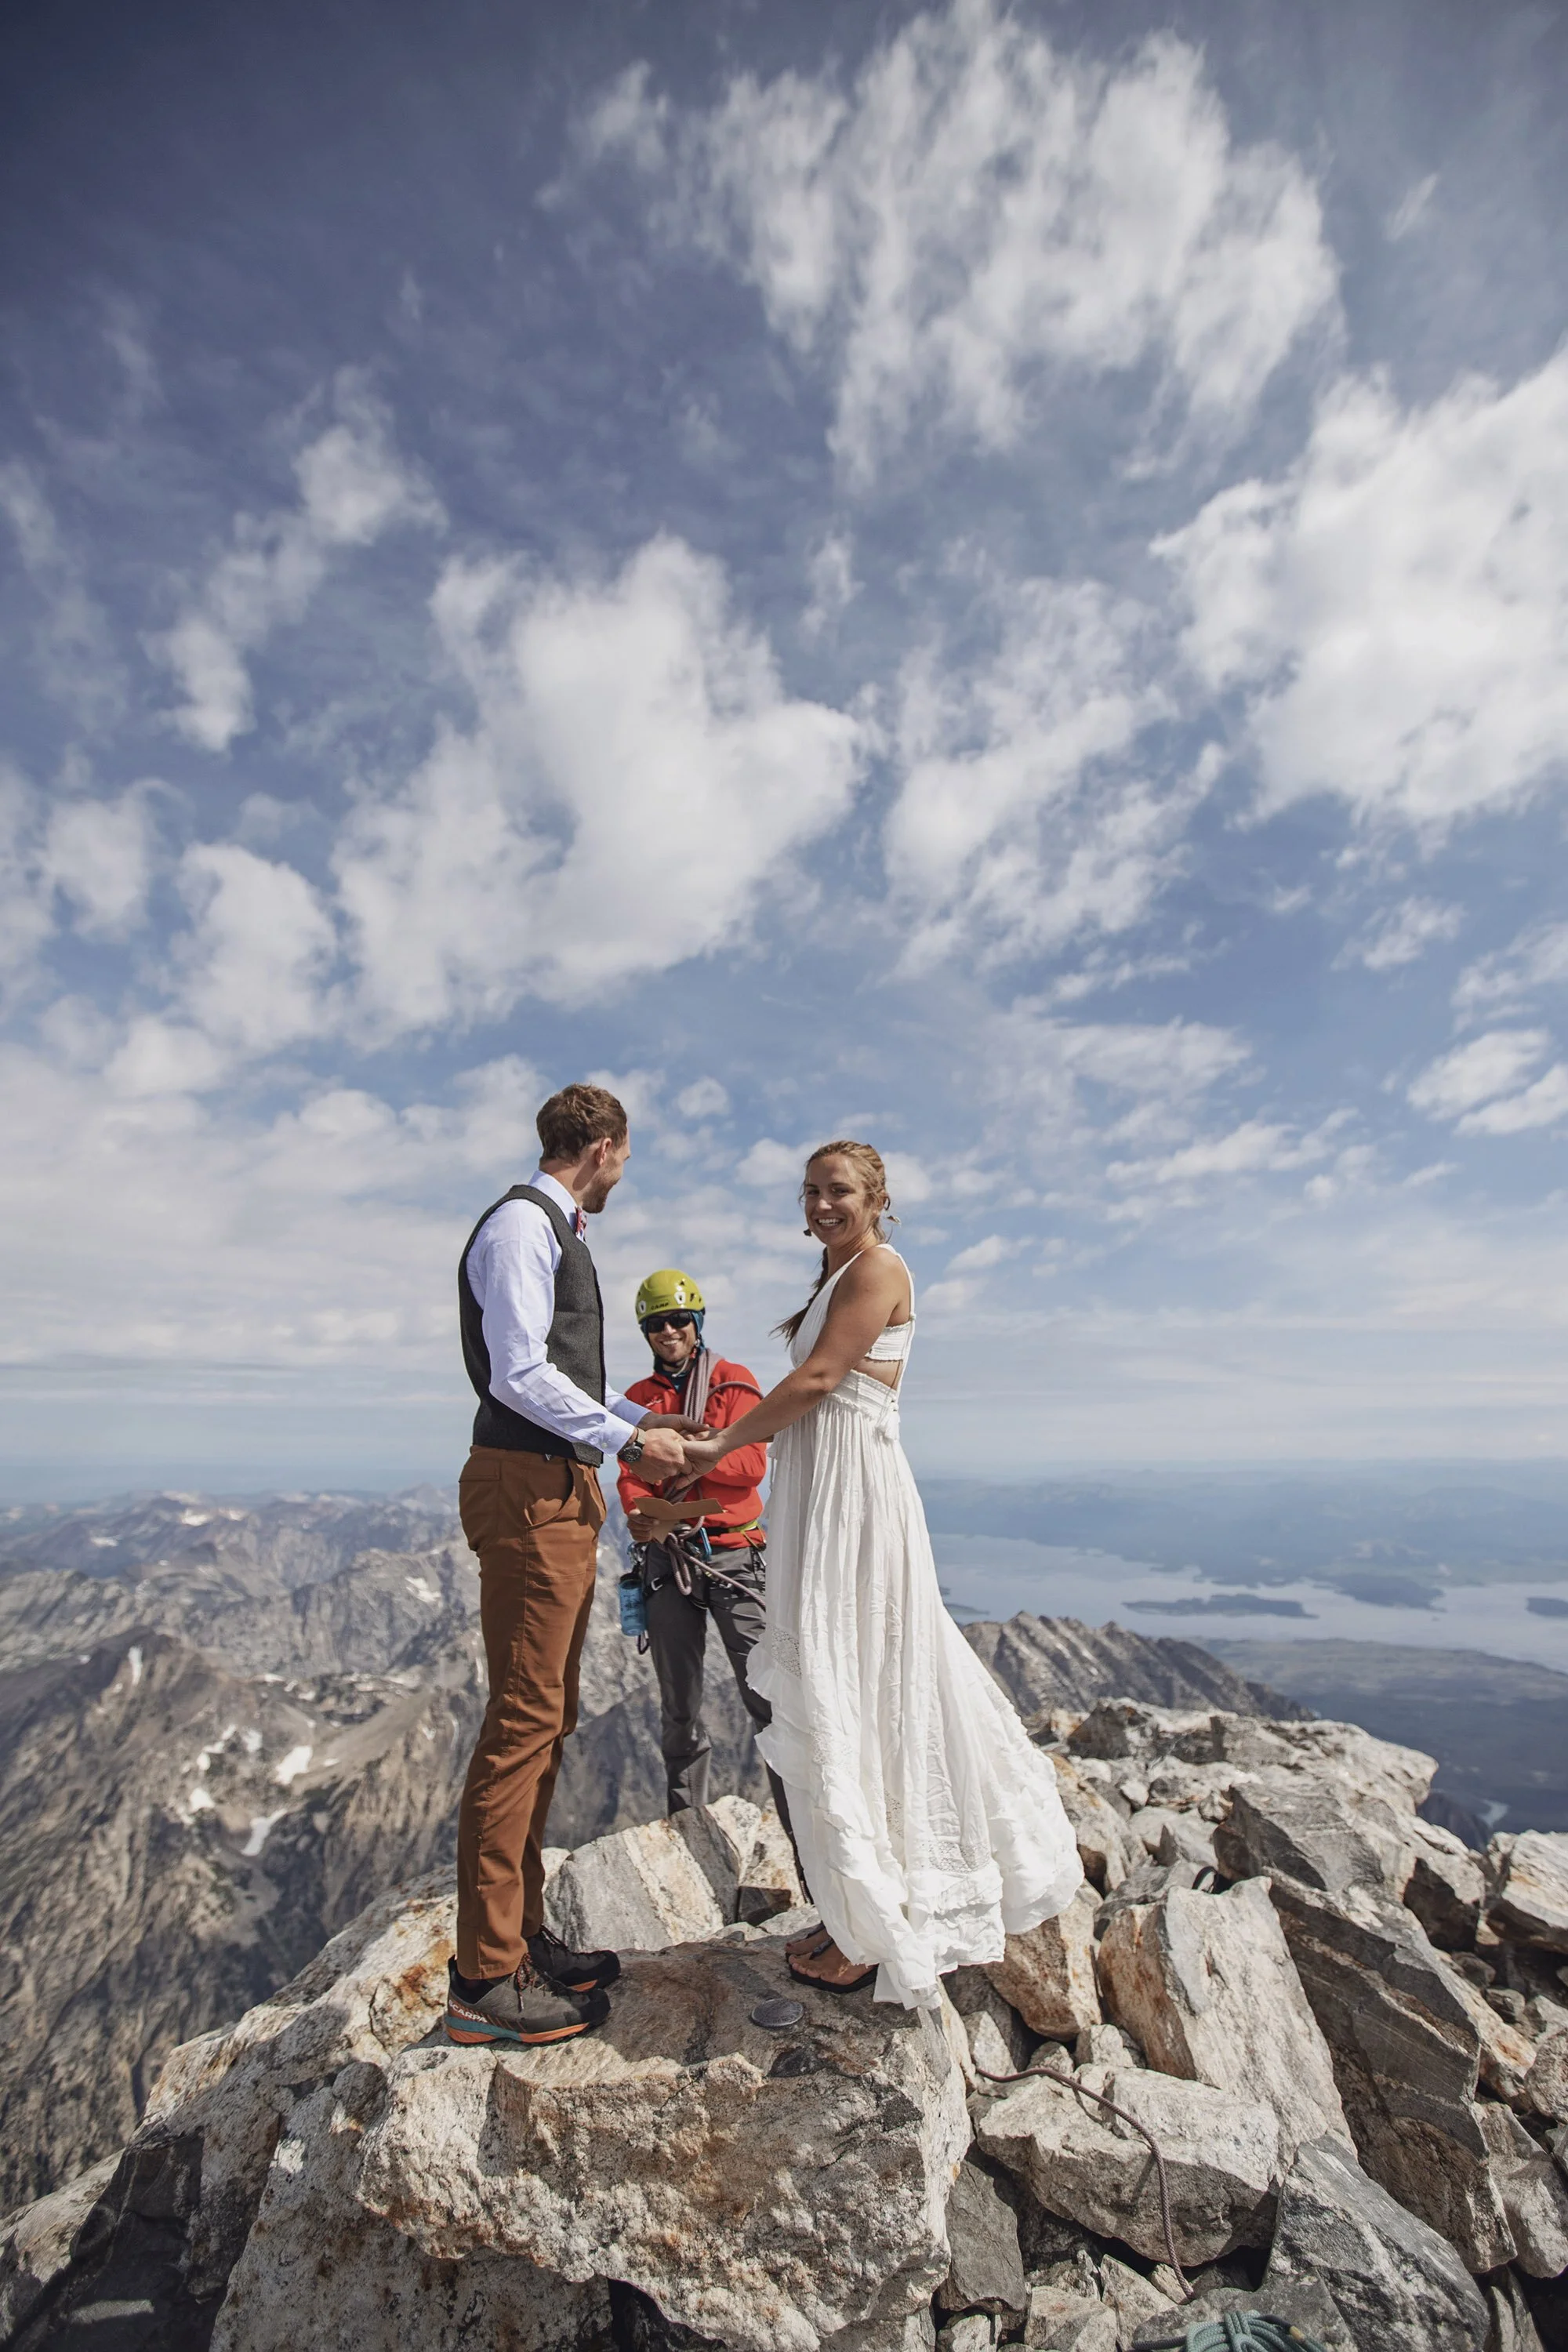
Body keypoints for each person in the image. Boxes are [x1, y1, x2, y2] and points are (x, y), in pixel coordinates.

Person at [673, 1141, 1083, 2008]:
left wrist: (717, 1442)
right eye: (812, 1191)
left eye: (840, 1191)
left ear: (877, 1197)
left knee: (855, 1674)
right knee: (845, 1679)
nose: (822, 1204)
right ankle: (859, 1907)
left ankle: (877, 1925)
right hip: (827, 1491)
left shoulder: (877, 1267)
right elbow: (812, 1389)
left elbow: (821, 1378)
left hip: (853, 1500)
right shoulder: (838, 1272)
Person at [444, 1083, 702, 2049]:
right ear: (600, 1146)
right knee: (521, 1719)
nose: (626, 1168)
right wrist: (629, 1444)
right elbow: (517, 1372)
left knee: (545, 1715)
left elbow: (549, 1376)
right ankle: (482, 1978)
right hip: (528, 1486)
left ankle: (520, 1936)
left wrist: (638, 1423)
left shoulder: (555, 1230)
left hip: (555, 1483)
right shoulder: (522, 1228)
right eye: (625, 1153)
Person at [618, 1269, 791, 1827]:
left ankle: (805, 1838)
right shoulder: (639, 1402)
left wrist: (679, 1455)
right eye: (655, 1324)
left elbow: (749, 1465)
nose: (667, 1332)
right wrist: (646, 1516)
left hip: (733, 1554)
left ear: (695, 1323)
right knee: (678, 1707)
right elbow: (630, 1477)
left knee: (768, 1699)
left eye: (676, 1321)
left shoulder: (733, 1383)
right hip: (670, 1558)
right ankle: (686, 1827)